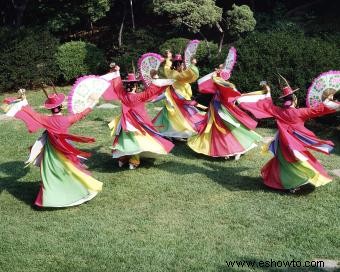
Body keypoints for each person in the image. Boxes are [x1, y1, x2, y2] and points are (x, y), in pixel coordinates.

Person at [2, 87, 102, 207]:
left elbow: (33, 114)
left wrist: (24, 101)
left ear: (50, 109)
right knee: (71, 171)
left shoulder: (46, 120)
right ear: (61, 107)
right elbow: (81, 115)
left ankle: (53, 195)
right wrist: (92, 103)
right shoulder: (67, 119)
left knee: (51, 174)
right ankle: (78, 191)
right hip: (65, 150)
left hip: (51, 152)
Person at [237, 76, 339, 191]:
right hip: (295, 145)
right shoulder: (300, 112)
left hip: (282, 144)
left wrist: (267, 89)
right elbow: (318, 110)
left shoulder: (279, 111)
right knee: (297, 162)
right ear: (294, 100)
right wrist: (329, 100)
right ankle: (294, 182)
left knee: (282, 163)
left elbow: (266, 105)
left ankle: (277, 181)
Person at [106, 65, 175, 169]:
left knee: (125, 140)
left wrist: (117, 72)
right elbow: (150, 92)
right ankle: (133, 161)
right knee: (137, 141)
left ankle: (122, 159)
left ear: (127, 86)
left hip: (125, 124)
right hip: (137, 125)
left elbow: (117, 86)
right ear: (135, 86)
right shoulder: (139, 96)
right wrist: (155, 78)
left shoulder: (123, 95)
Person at [188, 66, 262, 159]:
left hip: (222, 110)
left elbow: (229, 93)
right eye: (218, 68)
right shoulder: (220, 83)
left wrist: (215, 75)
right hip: (215, 109)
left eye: (219, 68)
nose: (216, 69)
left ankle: (234, 148)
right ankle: (224, 148)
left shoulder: (223, 84)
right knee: (216, 128)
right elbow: (206, 86)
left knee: (226, 127)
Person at [152, 50, 206, 140]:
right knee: (179, 116)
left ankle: (175, 133)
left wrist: (168, 58)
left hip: (178, 97)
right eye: (182, 65)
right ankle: (170, 133)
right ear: (178, 65)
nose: (183, 66)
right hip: (178, 98)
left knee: (175, 116)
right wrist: (192, 65)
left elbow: (167, 67)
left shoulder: (172, 72)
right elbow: (189, 75)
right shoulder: (176, 74)